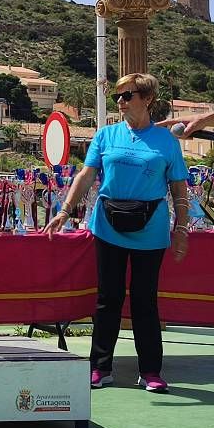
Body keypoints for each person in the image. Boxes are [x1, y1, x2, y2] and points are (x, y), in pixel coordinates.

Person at [46, 73, 188, 392]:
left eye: (128, 95)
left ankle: (150, 370)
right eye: (118, 97)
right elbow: (86, 175)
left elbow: (179, 187)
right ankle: (100, 368)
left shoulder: (166, 141)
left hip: (151, 229)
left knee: (144, 300)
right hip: (108, 225)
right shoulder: (106, 135)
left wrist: (181, 227)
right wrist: (65, 210)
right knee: (107, 299)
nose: (121, 102)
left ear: (148, 99)